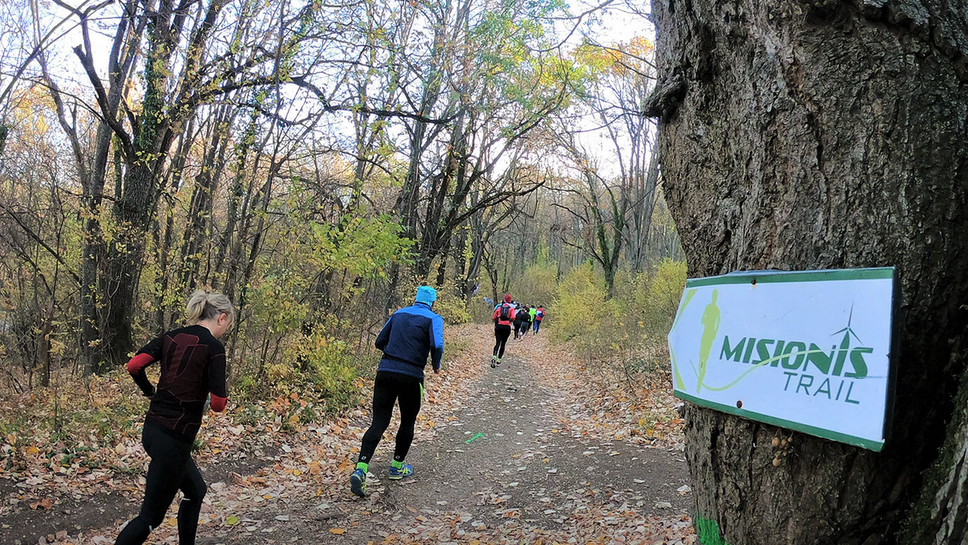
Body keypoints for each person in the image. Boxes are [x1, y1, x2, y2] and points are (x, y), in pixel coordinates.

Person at [116, 290, 234, 545]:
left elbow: (134, 365)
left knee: (195, 490)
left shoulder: (171, 336)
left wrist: (149, 390)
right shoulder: (214, 348)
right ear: (222, 318)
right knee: (150, 518)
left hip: (152, 431)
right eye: (228, 324)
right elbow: (218, 404)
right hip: (175, 439)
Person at [350, 286, 444, 497]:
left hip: (385, 372)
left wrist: (395, 352)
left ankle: (361, 469)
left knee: (379, 422)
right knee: (407, 422)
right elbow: (437, 344)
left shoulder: (399, 313)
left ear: (415, 299)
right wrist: (436, 364)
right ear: (433, 303)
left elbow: (379, 342)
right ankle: (396, 467)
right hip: (411, 377)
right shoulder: (434, 318)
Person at [491, 294, 516, 368]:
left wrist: (497, 320)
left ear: (504, 300)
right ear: (510, 300)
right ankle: (499, 360)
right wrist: (509, 321)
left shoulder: (499, 308)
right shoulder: (511, 309)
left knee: (497, 342)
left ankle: (494, 356)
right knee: (503, 344)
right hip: (506, 327)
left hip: (499, 326)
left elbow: (494, 317)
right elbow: (513, 317)